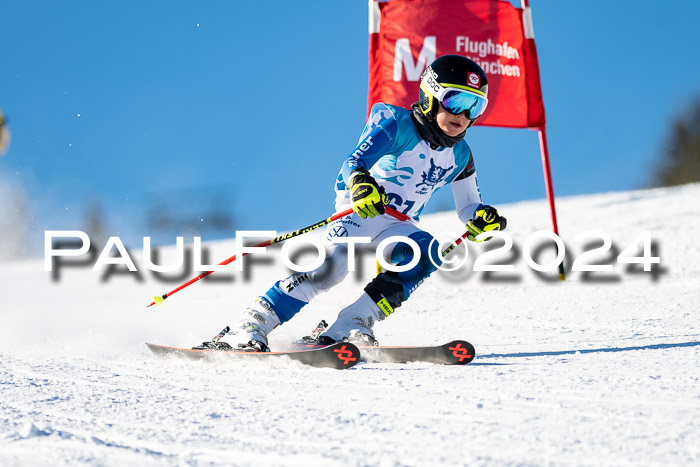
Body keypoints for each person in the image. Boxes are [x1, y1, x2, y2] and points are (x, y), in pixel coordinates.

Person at [204, 55, 507, 351]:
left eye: (474, 107)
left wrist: (481, 218)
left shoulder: (461, 155)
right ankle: (253, 323)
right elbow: (354, 161)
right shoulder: (397, 124)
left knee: (426, 253)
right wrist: (361, 184)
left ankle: (351, 323)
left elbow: (468, 206)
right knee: (331, 270)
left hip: (398, 223)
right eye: (456, 102)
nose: (463, 115)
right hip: (359, 209)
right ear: (431, 96)